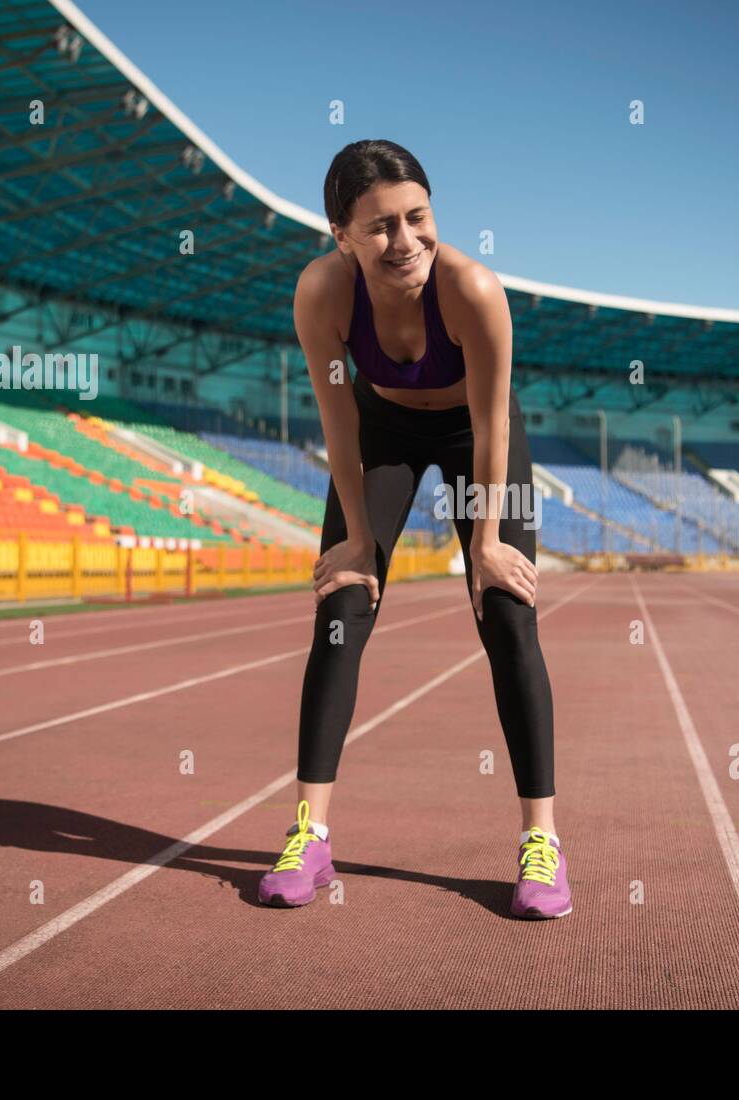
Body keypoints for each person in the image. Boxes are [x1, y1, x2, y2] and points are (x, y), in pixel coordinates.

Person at [257, 139, 570, 918]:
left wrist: (488, 541)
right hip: (382, 431)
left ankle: (543, 843)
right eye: (381, 228)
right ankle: (311, 835)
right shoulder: (321, 296)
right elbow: (339, 421)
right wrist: (358, 541)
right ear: (342, 236)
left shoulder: (473, 288)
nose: (405, 242)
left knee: (507, 610)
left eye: (417, 218)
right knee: (342, 607)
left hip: (475, 433)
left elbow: (493, 424)